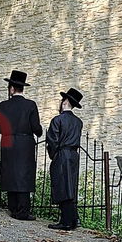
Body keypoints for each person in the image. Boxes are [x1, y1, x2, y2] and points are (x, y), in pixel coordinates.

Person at [0, 70, 41, 220]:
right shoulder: (30, 105)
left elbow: (1, 128)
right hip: (25, 143)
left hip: (8, 141)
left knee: (10, 173)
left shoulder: (3, 105)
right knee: (24, 174)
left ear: (11, 88)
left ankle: (13, 207)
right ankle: (23, 210)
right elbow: (36, 128)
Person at [46, 87, 84, 230]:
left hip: (62, 154)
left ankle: (66, 221)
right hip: (74, 155)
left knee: (62, 185)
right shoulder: (78, 122)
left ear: (65, 101)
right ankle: (72, 219)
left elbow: (52, 140)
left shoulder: (57, 120)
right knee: (70, 186)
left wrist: (54, 154)